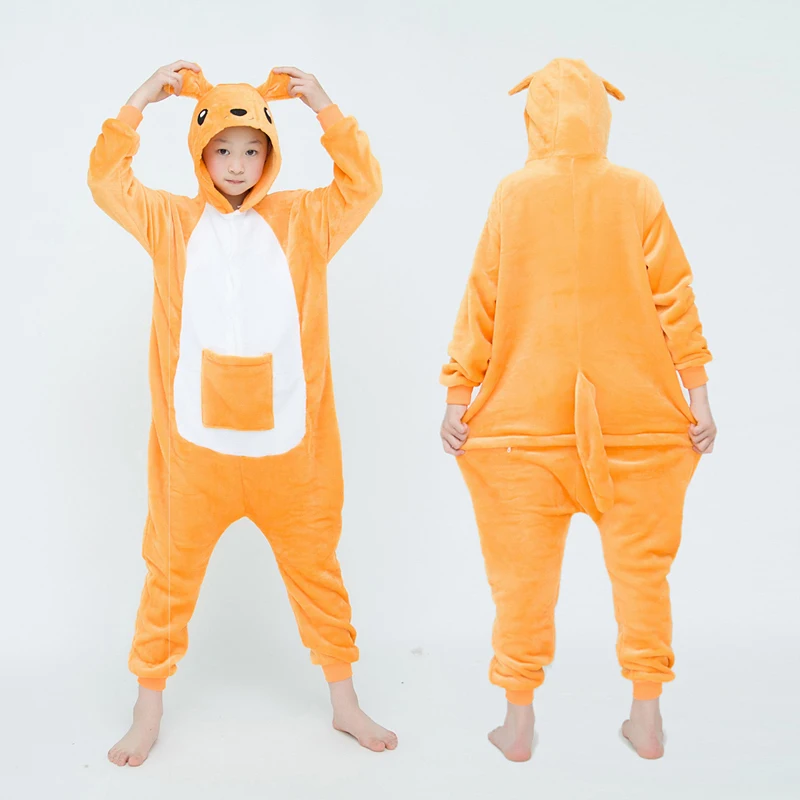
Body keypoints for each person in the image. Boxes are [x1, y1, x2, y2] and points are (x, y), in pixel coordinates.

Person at [88, 60, 397, 767]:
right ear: (200, 154)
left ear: (271, 153)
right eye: (221, 149)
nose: (235, 164)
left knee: (316, 571)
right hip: (195, 454)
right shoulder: (171, 222)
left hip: (288, 452)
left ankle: (345, 703)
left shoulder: (304, 220)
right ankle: (147, 708)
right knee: (167, 579)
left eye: (251, 149)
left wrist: (324, 106)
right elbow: (107, 181)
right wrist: (140, 99)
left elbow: (364, 185)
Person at [439, 57, 717, 762]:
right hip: (640, 423)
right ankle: (647, 720)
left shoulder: (514, 193)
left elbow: (482, 300)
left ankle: (518, 722)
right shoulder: (637, 191)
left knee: (521, 579)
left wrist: (458, 396)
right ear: (601, 113)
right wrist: (697, 395)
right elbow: (675, 294)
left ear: (533, 116)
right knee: (643, 572)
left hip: (521, 429)